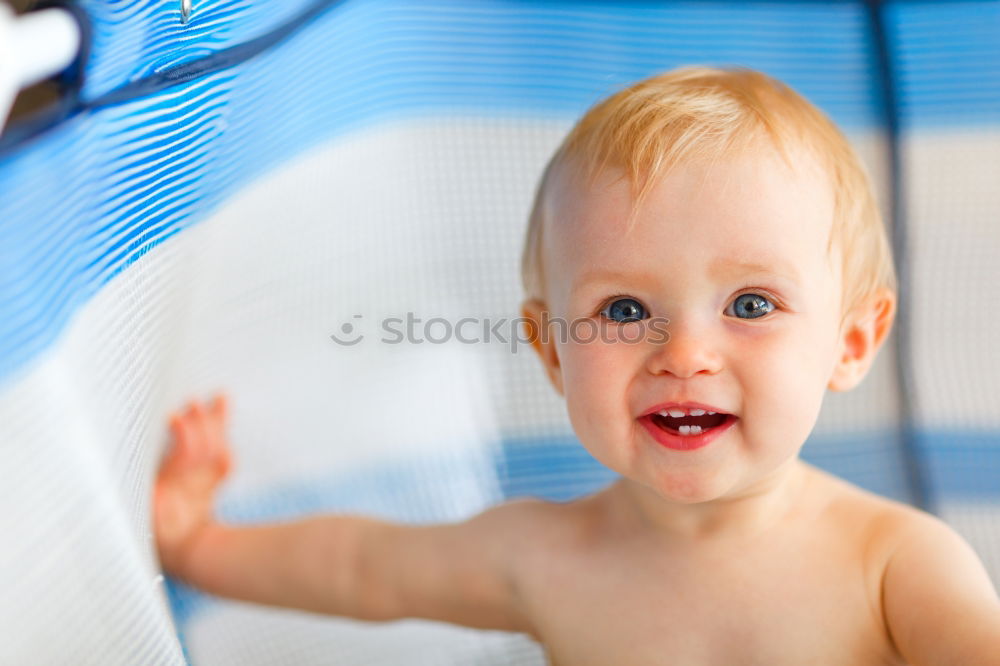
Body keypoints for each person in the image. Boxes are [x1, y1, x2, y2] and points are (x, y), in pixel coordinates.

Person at [153, 65, 1000, 665]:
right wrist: (199, 546)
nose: (686, 356)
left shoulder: (896, 565)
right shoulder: (544, 558)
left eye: (750, 305)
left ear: (850, 343)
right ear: (554, 351)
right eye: (625, 311)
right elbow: (362, 566)